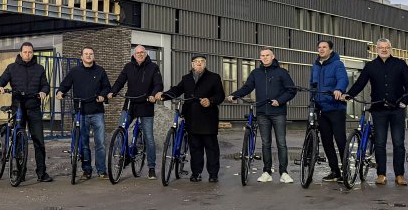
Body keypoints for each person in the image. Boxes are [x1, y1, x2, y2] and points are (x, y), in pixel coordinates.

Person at [345, 38, 408, 186]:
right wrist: (349, 95)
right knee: (379, 143)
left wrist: (405, 102)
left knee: (398, 143)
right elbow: (360, 83)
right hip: (378, 110)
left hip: (397, 109)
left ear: (391, 49)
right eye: (381, 47)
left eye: (386, 47)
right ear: (376, 49)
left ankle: (399, 175)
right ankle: (381, 174)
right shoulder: (370, 66)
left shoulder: (400, 64)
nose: (384, 50)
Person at [228, 47, 298, 183]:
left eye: (267, 55)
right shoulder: (256, 73)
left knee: (281, 143)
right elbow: (247, 87)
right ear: (260, 58)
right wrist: (235, 95)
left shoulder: (282, 72)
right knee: (266, 143)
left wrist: (280, 101)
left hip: (278, 112)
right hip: (262, 112)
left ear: (273, 56)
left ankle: (284, 173)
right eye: (262, 55)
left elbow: (291, 90)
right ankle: (266, 172)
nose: (265, 57)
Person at [156, 54, 225, 182]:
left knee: (211, 148)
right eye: (196, 61)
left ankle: (213, 174)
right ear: (192, 64)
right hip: (191, 117)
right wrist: (164, 96)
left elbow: (220, 95)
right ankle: (196, 173)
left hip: (208, 118)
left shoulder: (214, 77)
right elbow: (177, 90)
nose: (199, 63)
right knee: (195, 148)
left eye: (202, 61)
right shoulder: (186, 78)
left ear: (205, 64)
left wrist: (210, 101)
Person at [0, 42, 53, 182]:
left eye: (30, 52)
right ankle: (20, 173)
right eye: (25, 52)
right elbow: (0, 80)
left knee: (39, 141)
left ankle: (41, 173)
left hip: (34, 107)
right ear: (21, 53)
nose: (28, 54)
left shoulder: (39, 68)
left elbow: (45, 85)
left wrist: (43, 91)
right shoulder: (12, 67)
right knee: (19, 141)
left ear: (33, 53)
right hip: (18, 107)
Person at [108, 45, 164, 178]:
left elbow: (158, 84)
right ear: (134, 55)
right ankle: (125, 155)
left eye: (142, 52)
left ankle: (151, 167)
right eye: (137, 52)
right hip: (130, 103)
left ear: (146, 53)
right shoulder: (128, 67)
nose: (140, 54)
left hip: (146, 103)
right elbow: (120, 81)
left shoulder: (153, 67)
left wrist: (153, 94)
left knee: (149, 137)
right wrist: (112, 91)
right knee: (121, 130)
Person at [56, 46, 111, 179]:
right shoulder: (75, 71)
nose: (88, 56)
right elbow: (65, 84)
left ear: (94, 56)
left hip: (97, 111)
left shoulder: (100, 71)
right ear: (81, 57)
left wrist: (103, 95)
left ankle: (101, 170)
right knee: (84, 143)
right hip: (81, 112)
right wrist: (60, 92)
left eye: (91, 54)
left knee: (100, 143)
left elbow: (107, 87)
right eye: (86, 54)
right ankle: (87, 170)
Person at [310, 40, 349, 183]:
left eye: (324, 47)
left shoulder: (337, 64)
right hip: (322, 109)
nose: (321, 49)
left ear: (330, 50)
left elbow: (343, 79)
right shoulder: (315, 65)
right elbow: (312, 85)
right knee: (326, 142)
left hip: (336, 108)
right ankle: (334, 171)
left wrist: (339, 89)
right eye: (319, 47)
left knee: (340, 140)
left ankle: (346, 171)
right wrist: (312, 102)